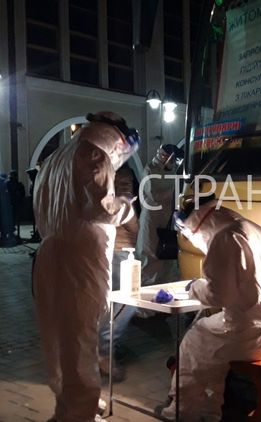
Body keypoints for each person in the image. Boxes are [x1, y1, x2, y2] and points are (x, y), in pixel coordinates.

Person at [32, 111, 138, 422]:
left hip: (50, 254)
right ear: (118, 141)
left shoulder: (56, 158)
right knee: (80, 339)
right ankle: (79, 414)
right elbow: (102, 209)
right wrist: (126, 208)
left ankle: (67, 407)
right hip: (81, 259)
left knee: (60, 338)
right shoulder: (95, 153)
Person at [161, 197, 261, 421]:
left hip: (253, 335)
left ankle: (181, 412)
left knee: (194, 343)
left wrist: (194, 288)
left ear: (196, 226)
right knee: (210, 343)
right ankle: (209, 411)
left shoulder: (225, 238)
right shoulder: (252, 229)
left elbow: (218, 295)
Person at [98, 164, 140, 381]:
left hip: (114, 252)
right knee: (128, 302)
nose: (127, 187)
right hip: (119, 253)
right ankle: (104, 351)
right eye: (123, 183)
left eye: (129, 183)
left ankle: (102, 348)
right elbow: (132, 224)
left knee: (113, 304)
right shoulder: (119, 200)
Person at [136, 143, 184, 287]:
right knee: (150, 255)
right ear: (164, 157)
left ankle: (165, 291)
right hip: (152, 220)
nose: (174, 163)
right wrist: (177, 190)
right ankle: (148, 293)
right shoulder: (150, 170)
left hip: (167, 219)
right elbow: (155, 196)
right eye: (172, 159)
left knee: (167, 257)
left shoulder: (173, 171)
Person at [7, 170, 26, 238]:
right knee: (13, 219)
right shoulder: (9, 184)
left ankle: (12, 231)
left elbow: (22, 194)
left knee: (13, 219)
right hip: (12, 204)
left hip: (14, 204)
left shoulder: (17, 184)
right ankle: (11, 231)